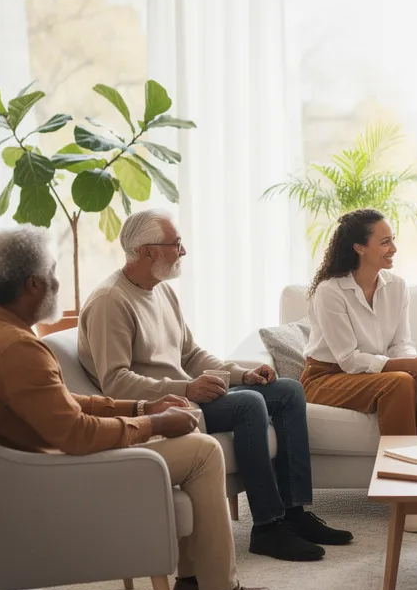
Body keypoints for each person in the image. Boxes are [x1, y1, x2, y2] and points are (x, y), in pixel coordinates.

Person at [0, 227, 296, 590]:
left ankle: (197, 584)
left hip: (25, 471)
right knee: (202, 451)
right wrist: (153, 423)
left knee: (189, 438)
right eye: (53, 274)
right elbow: (76, 433)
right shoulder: (19, 349)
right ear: (33, 284)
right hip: (47, 481)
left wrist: (144, 407)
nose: (59, 284)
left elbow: (64, 404)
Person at [79, 209, 351, 563]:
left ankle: (294, 513)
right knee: (250, 404)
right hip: (167, 406)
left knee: (286, 390)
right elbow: (116, 382)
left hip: (187, 394)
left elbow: (191, 354)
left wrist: (241, 374)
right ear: (147, 252)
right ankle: (267, 528)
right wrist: (188, 389)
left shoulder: (162, 292)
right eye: (176, 244)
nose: (183, 251)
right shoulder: (110, 302)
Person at [301, 208, 417, 534]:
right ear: (359, 247)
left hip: (372, 374)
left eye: (392, 240)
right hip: (326, 377)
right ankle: (404, 499)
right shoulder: (330, 292)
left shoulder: (396, 286)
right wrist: (406, 367)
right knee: (398, 382)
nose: (393, 248)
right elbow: (349, 360)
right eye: (385, 242)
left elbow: (401, 344)